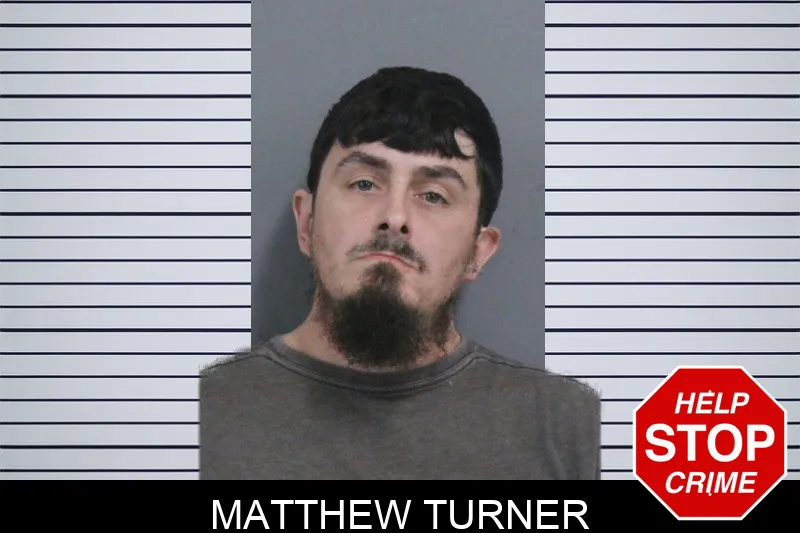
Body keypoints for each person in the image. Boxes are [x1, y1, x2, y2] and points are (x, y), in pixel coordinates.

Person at [199, 66, 601, 480]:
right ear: (306, 222)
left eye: (434, 196)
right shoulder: (194, 420)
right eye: (364, 184)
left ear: (477, 253)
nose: (394, 217)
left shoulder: (571, 432)